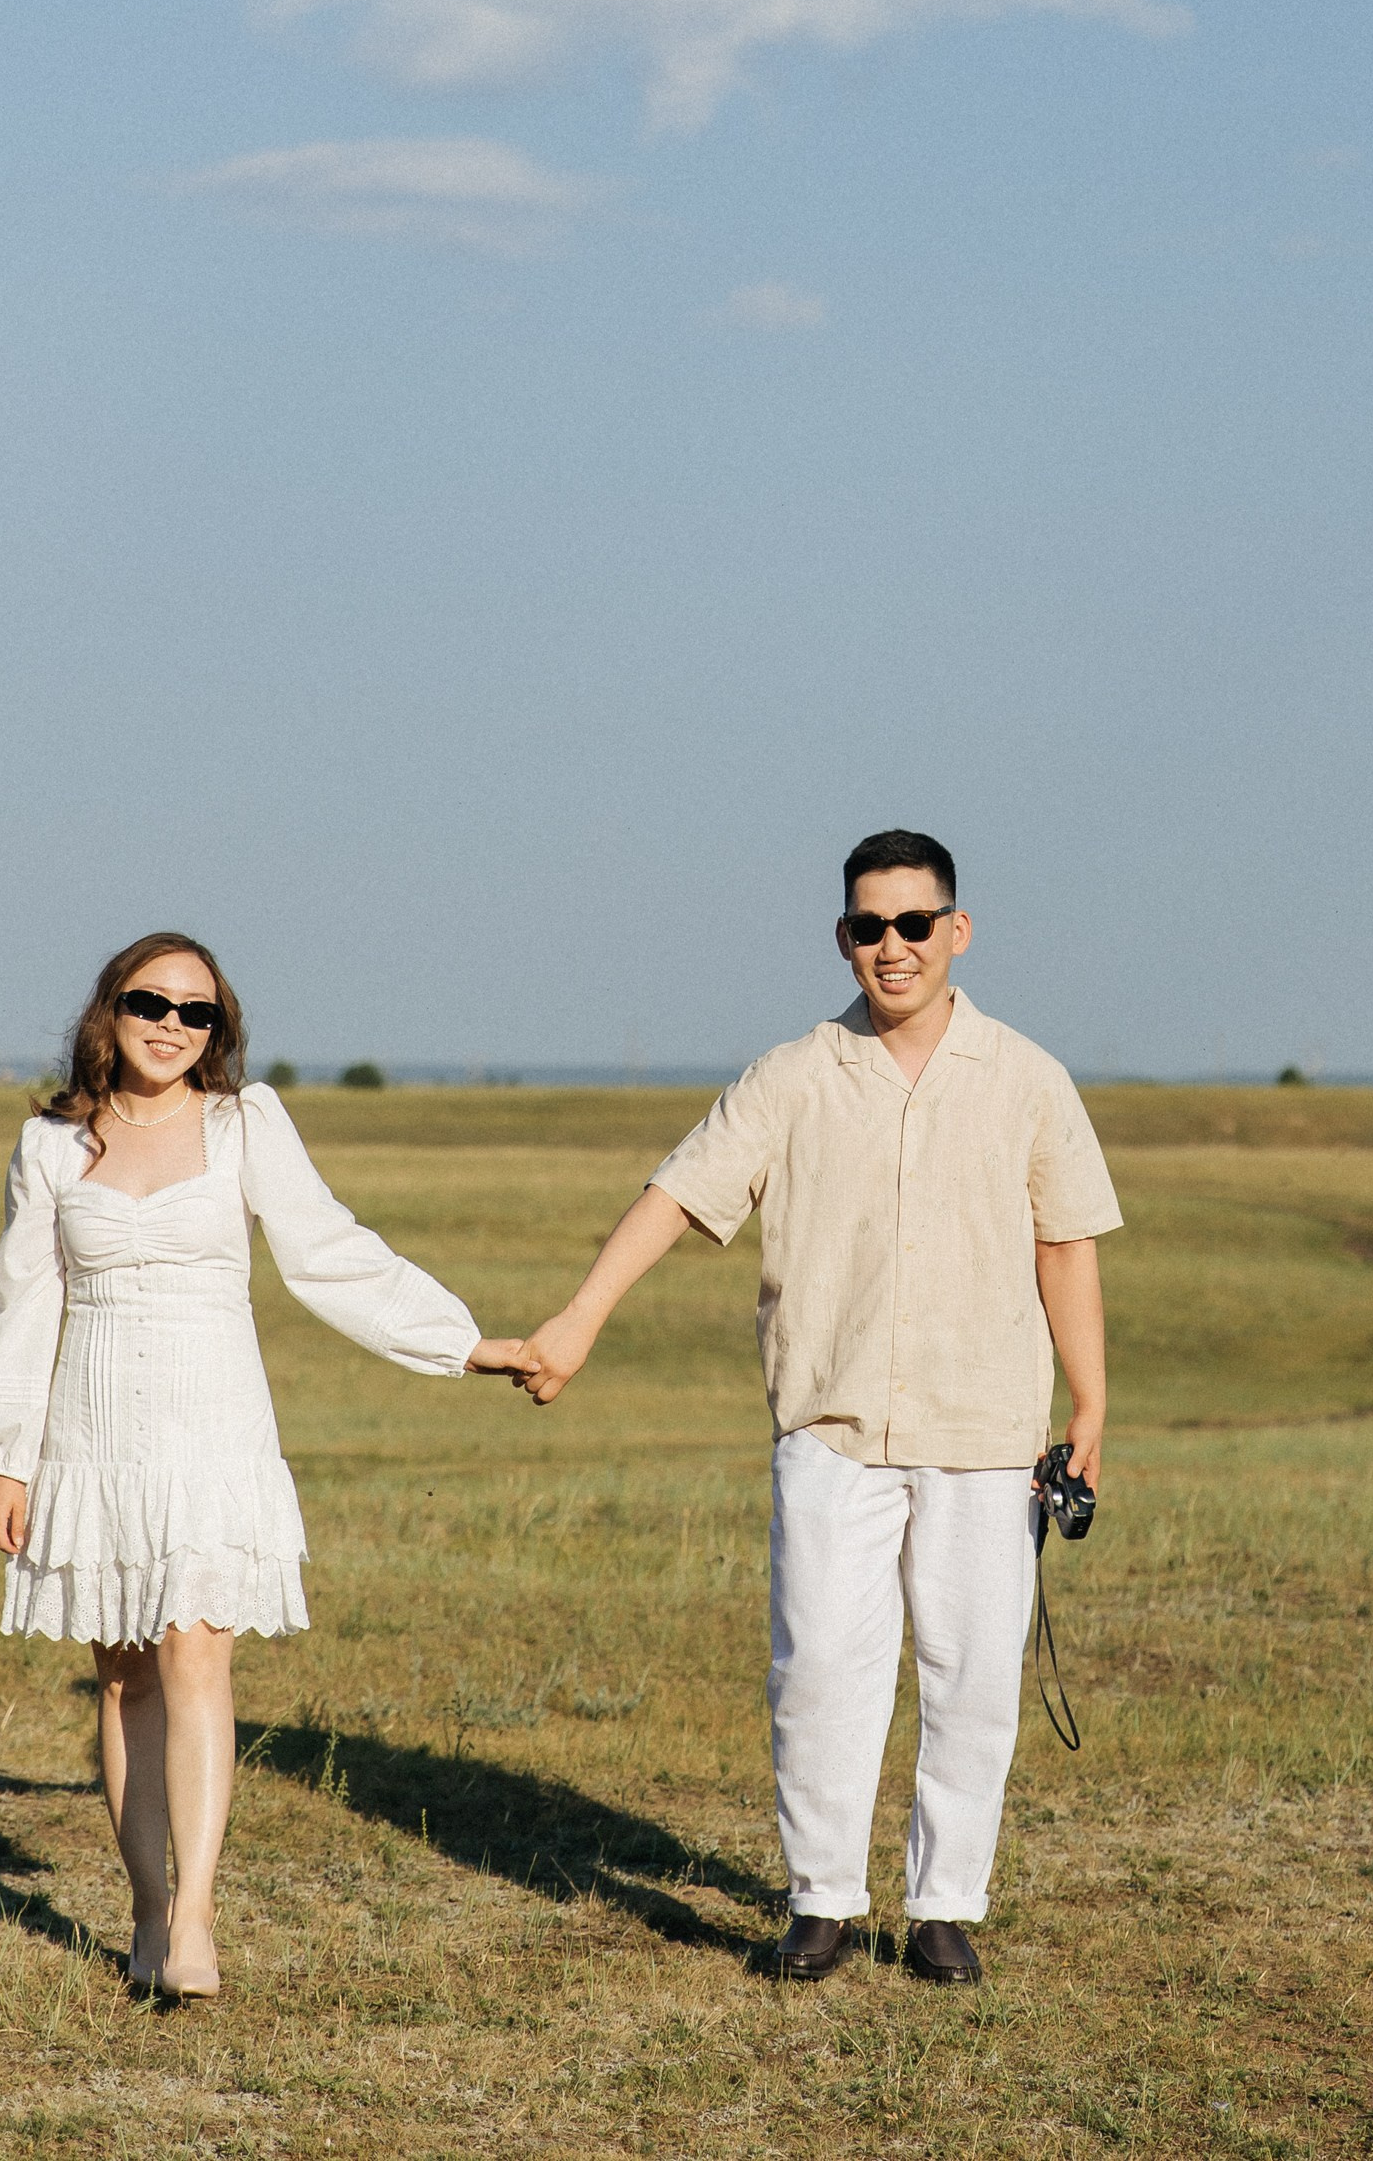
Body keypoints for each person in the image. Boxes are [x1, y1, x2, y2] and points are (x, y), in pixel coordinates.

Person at [509, 830, 1121, 1985]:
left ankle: (944, 1909)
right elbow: (679, 1195)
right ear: (841, 937)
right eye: (865, 927)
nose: (890, 948)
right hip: (830, 1430)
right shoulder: (792, 1074)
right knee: (821, 1671)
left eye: (912, 924)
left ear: (957, 929)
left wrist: (1089, 1402)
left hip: (986, 1433)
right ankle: (822, 1902)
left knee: (974, 1674)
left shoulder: (1029, 1078)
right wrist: (578, 1318)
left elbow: (1067, 1246)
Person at [0, 932, 520, 2002]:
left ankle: (201, 1917)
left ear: (219, 1029)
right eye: (150, 1001)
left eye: (196, 1011)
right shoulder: (49, 1145)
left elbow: (331, 1251)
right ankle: (148, 1910)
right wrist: (8, 1459)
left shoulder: (244, 1124)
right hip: (92, 1431)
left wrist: (464, 1341)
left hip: (211, 1426)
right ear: (108, 1012)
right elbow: (20, 1306)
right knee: (122, 1675)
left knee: (196, 1654)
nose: (173, 1023)